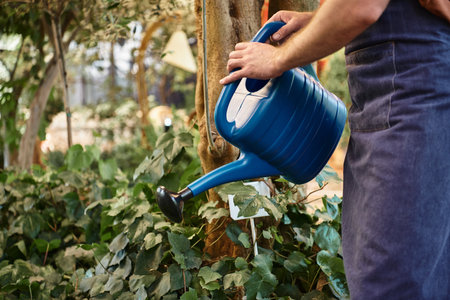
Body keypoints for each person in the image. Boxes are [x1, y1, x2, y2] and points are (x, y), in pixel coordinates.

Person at [220, 0, 450, 299]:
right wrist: (320, 20)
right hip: (416, 88)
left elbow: (361, 6)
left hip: (412, 95)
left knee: (390, 280)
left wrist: (278, 58)